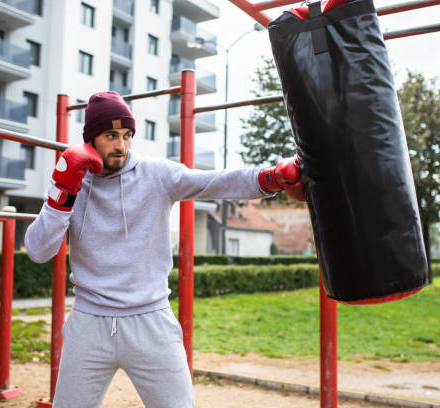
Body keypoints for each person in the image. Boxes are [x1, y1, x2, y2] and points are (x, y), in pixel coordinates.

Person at [25, 91, 304, 408]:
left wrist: (269, 178)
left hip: (151, 321)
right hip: (89, 322)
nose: (121, 146)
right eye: (111, 135)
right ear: (91, 138)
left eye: (127, 135)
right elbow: (38, 250)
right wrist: (63, 194)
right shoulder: (71, 181)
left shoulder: (155, 174)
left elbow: (212, 181)